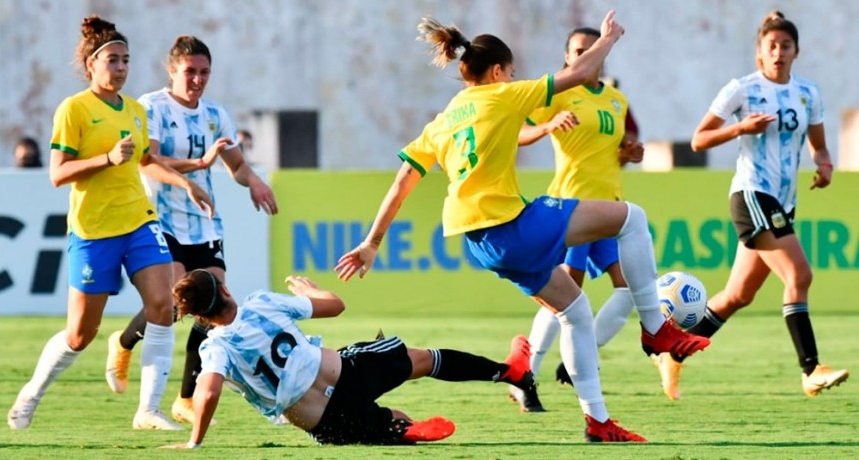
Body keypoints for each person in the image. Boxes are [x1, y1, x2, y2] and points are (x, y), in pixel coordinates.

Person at [335, 11, 711, 442]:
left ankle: (598, 422)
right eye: (510, 71)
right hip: (513, 225)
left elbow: (404, 180)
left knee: (575, 312)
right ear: (497, 71)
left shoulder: (442, 121)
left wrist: (371, 242)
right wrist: (608, 39)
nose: (513, 77)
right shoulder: (505, 94)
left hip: (479, 242)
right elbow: (584, 70)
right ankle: (656, 331)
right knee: (633, 218)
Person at [7, 16, 214, 431]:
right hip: (93, 231)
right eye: (113, 60)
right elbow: (57, 173)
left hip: (139, 220)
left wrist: (186, 180)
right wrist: (105, 159)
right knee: (80, 334)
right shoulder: (74, 109)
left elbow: (145, 161)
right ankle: (32, 392)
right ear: (91, 65)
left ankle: (148, 410)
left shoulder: (136, 111)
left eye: (126, 61)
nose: (121, 68)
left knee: (164, 305)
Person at [657, 10, 849, 400]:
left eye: (786, 46)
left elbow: (819, 143)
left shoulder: (808, 92)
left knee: (737, 295)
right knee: (800, 275)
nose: (779, 52)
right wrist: (740, 128)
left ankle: (673, 350)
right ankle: (811, 369)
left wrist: (825, 163)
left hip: (784, 200)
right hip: (751, 194)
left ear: (797, 51)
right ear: (759, 54)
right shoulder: (742, 89)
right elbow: (698, 139)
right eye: (771, 46)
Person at [104, 35, 279, 428]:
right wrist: (194, 169)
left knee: (212, 305)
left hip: (205, 223)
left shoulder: (215, 114)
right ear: (172, 71)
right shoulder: (151, 107)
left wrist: (253, 180)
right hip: (161, 219)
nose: (197, 79)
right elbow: (146, 163)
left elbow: (235, 164)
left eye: (204, 72)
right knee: (175, 300)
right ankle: (124, 341)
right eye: (190, 72)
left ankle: (186, 399)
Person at [160, 270, 535, 448]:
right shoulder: (262, 303)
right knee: (423, 359)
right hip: (346, 374)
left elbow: (207, 393)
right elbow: (336, 306)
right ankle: (508, 372)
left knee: (373, 424)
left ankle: (398, 426)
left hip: (321, 422)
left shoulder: (215, 348)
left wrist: (195, 442)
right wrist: (312, 290)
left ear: (199, 317)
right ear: (225, 288)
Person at [509, 26, 645, 412]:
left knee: (628, 289)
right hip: (569, 210)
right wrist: (548, 126)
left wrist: (629, 152)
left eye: (592, 49)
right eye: (577, 50)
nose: (585, 55)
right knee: (566, 295)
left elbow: (610, 152)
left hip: (609, 209)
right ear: (567, 57)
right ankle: (525, 377)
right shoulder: (559, 93)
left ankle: (577, 362)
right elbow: (516, 130)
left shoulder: (617, 100)